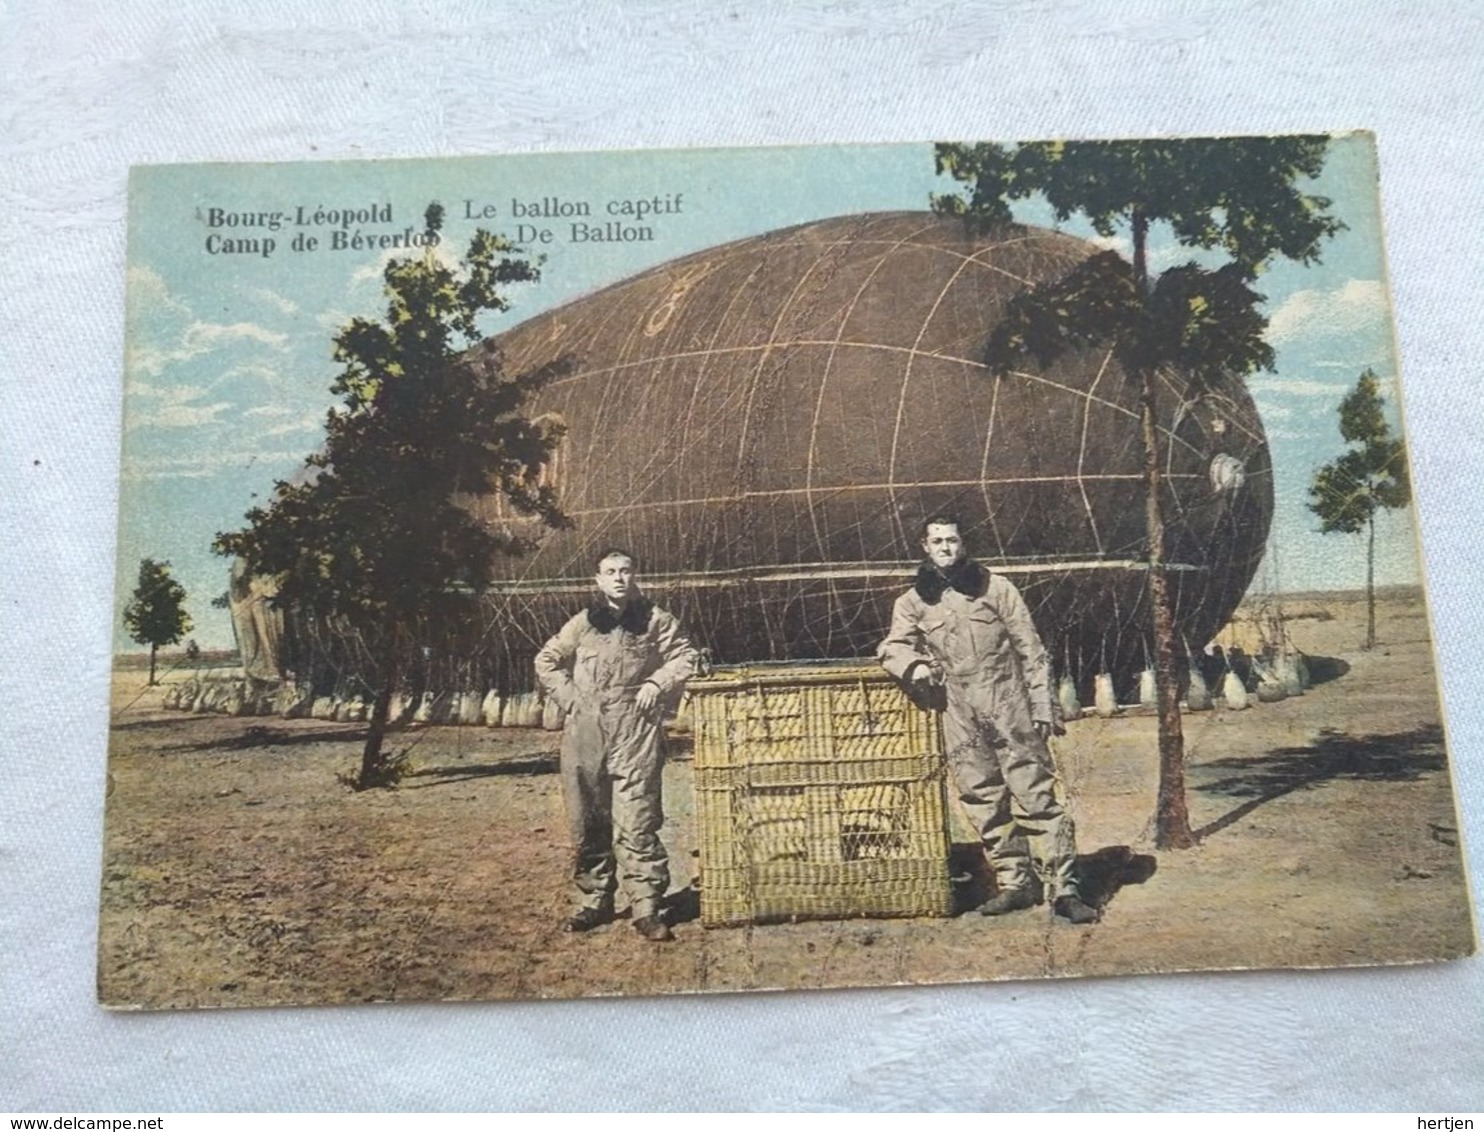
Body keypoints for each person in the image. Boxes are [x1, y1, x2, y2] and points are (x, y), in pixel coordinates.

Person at [877, 516, 1098, 924]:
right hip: (958, 714)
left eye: (953, 540)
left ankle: (1065, 889)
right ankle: (1016, 883)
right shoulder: (912, 601)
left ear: (964, 544)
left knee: (1037, 798)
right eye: (937, 541)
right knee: (982, 799)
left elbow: (1031, 650)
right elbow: (892, 646)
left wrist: (1043, 708)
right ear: (924, 547)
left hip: (1009, 706)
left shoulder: (996, 588)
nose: (945, 547)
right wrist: (913, 666)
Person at [534, 548, 698, 942]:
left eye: (626, 571)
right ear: (598, 580)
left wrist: (657, 683)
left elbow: (686, 656)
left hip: (635, 729)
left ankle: (646, 906)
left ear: (635, 576)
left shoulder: (654, 620)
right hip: (585, 730)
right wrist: (572, 700)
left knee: (637, 819)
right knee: (589, 819)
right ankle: (595, 901)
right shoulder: (583, 624)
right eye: (610, 572)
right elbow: (546, 661)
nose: (619, 578)